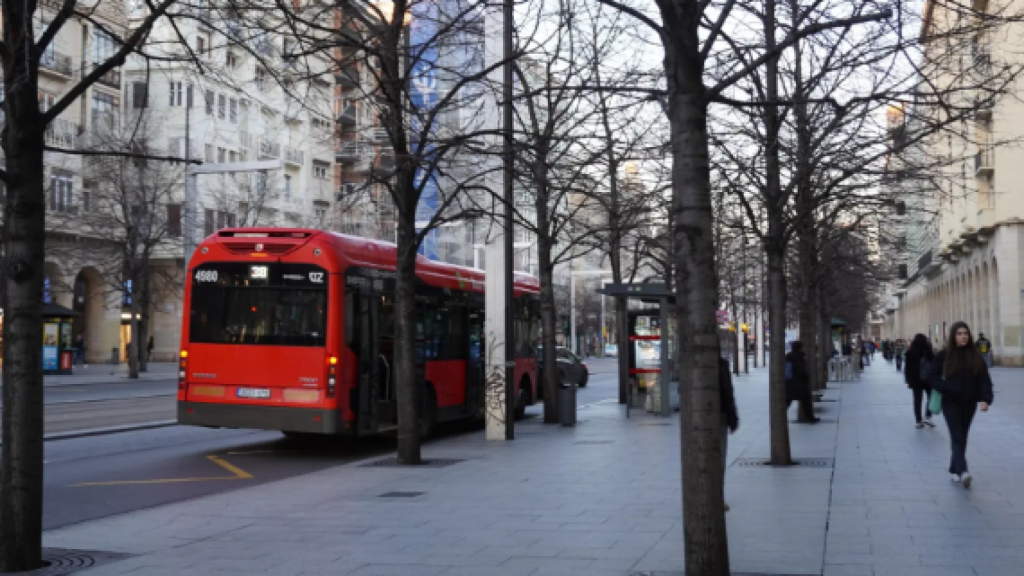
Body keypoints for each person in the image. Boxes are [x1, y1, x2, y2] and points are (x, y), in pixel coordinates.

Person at [929, 321, 994, 489]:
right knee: (957, 436)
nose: (962, 336)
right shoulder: (944, 356)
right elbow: (931, 376)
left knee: (962, 436)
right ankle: (963, 471)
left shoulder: (975, 356)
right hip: (950, 402)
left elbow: (984, 380)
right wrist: (945, 388)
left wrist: (986, 399)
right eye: (959, 334)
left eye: (965, 333)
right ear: (953, 336)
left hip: (969, 402)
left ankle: (954, 468)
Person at [719, 357, 739, 511]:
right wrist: (733, 418)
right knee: (719, 459)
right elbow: (728, 392)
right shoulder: (721, 364)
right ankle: (718, 497)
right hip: (719, 415)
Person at [904, 334, 935, 429]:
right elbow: (933, 365)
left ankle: (918, 421)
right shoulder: (928, 351)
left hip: (915, 379)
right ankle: (928, 416)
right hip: (927, 379)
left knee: (917, 400)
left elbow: (907, 368)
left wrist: (908, 380)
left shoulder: (910, 352)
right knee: (931, 397)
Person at [785, 341, 820, 424]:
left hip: (789, 383)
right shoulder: (799, 357)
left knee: (787, 401)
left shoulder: (788, 357)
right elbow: (801, 371)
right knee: (806, 401)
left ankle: (779, 417)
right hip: (799, 383)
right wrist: (806, 377)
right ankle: (811, 418)